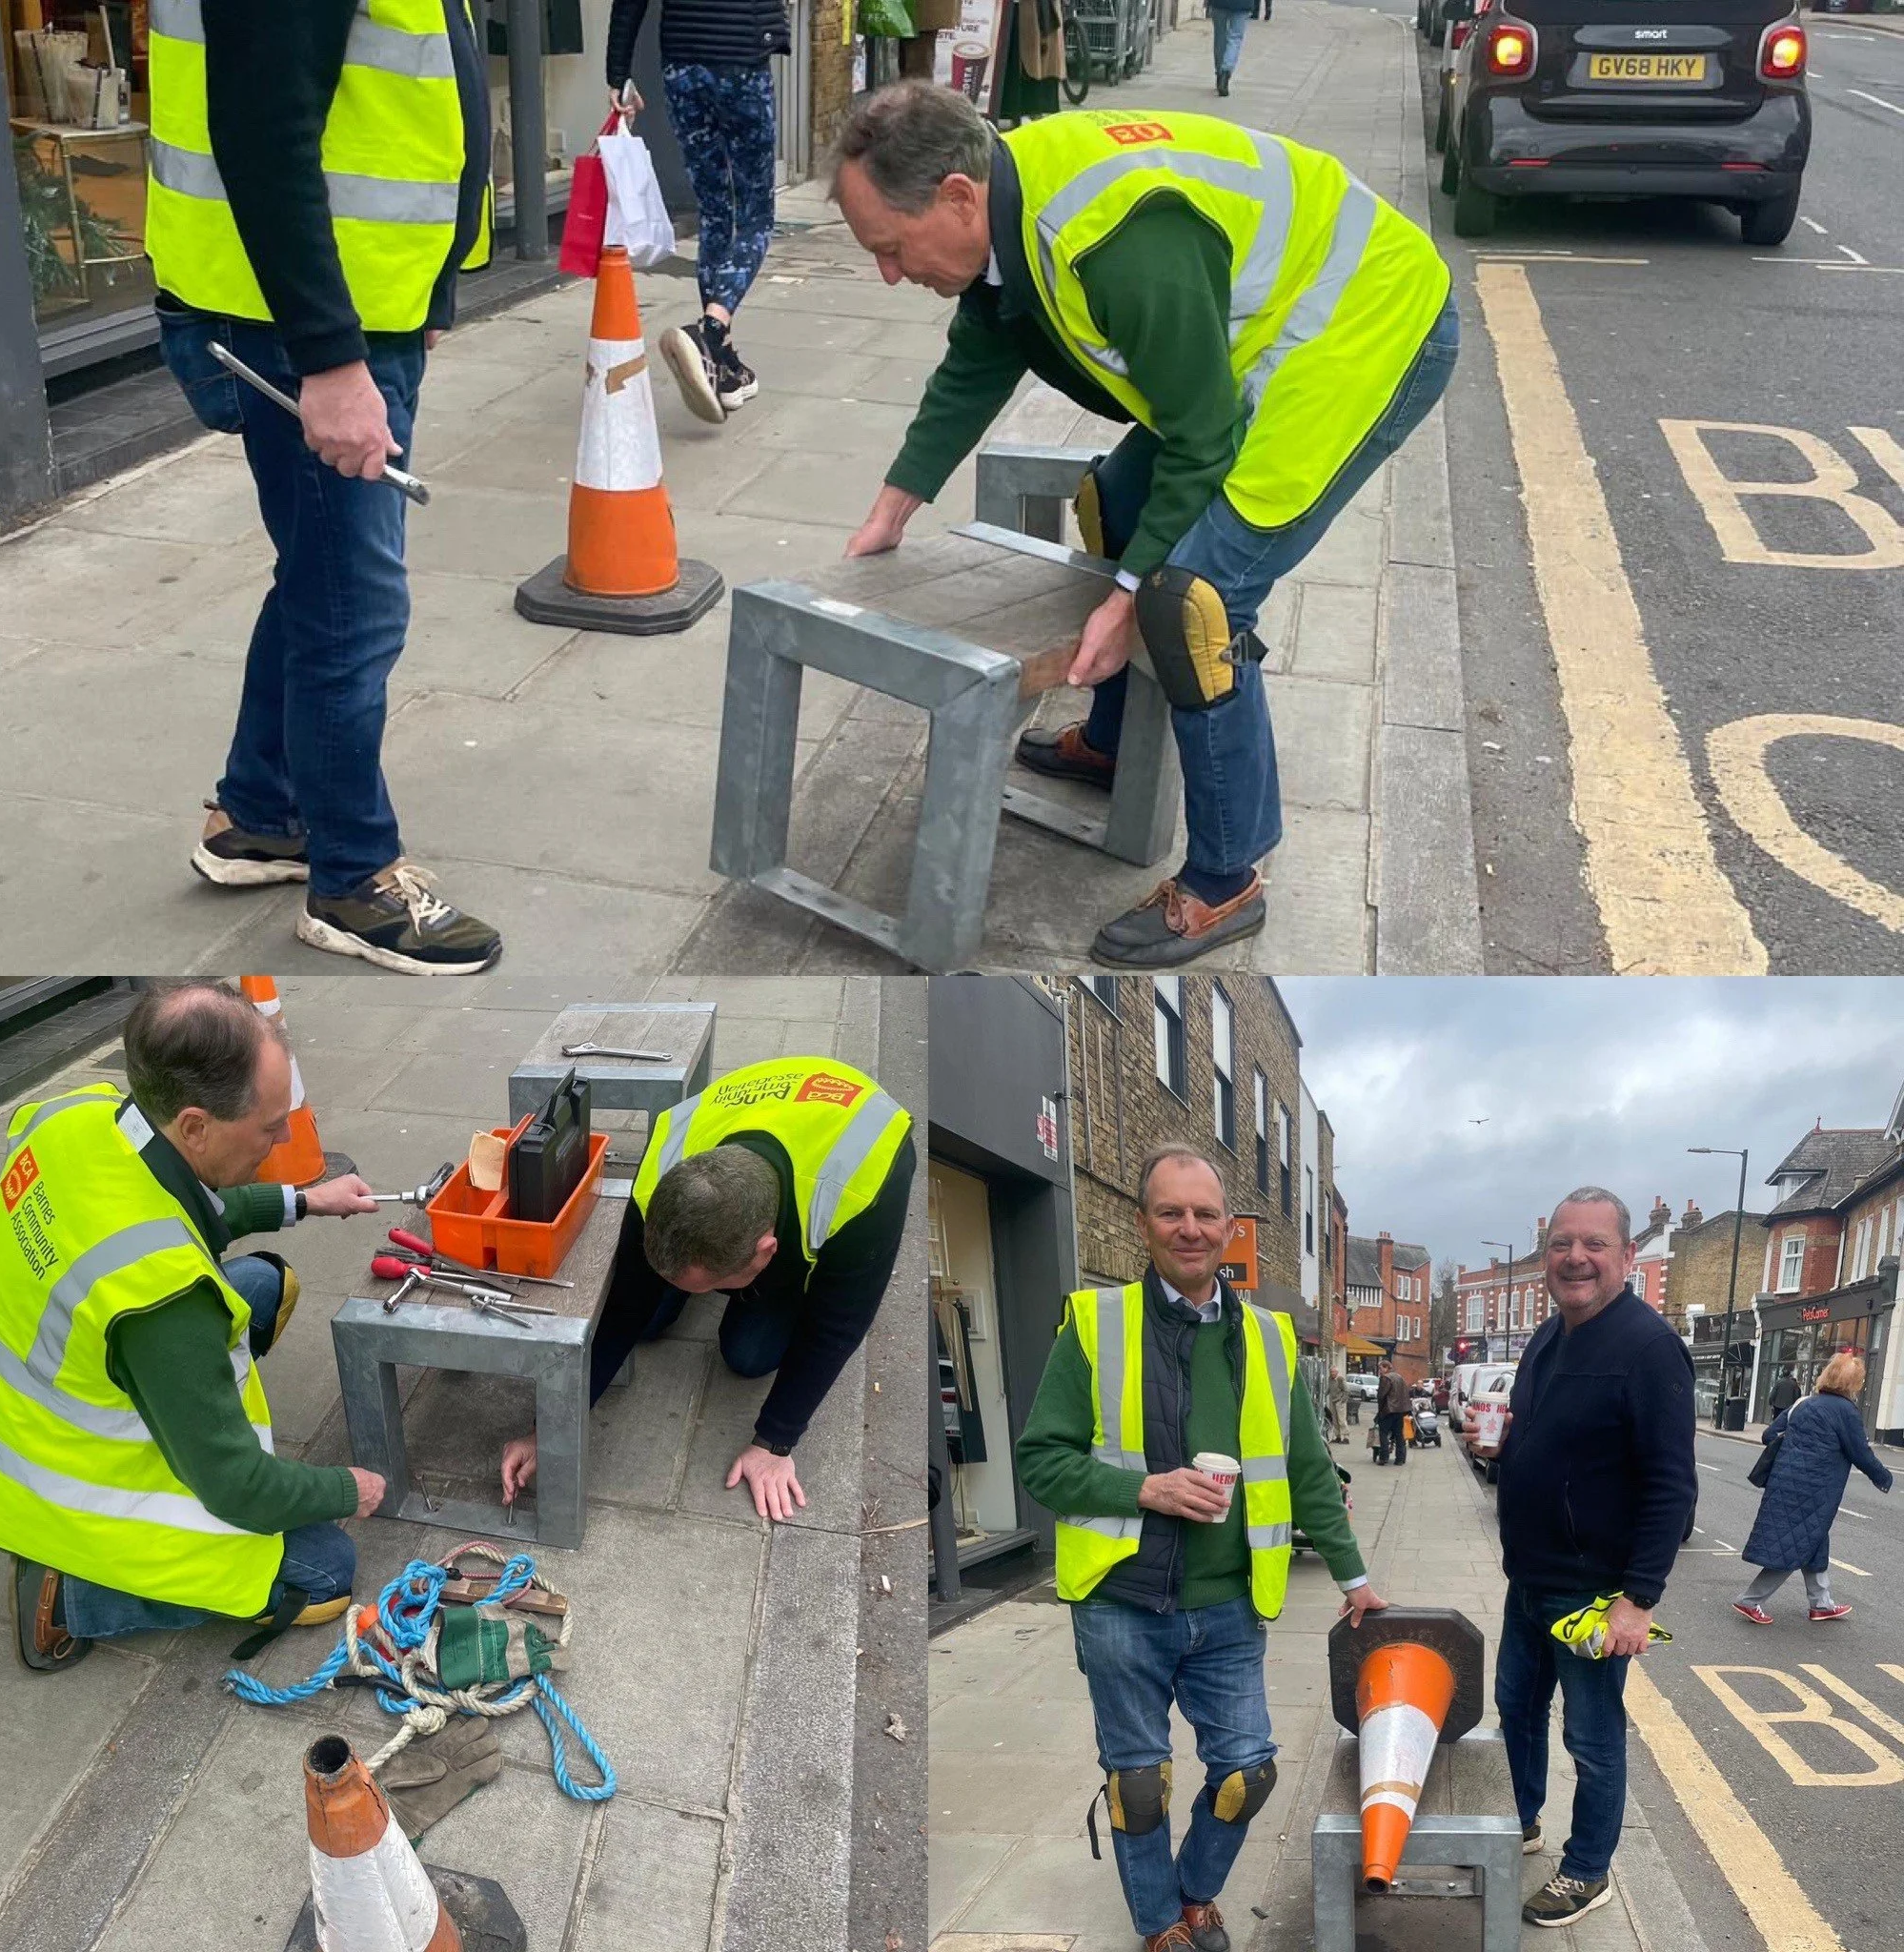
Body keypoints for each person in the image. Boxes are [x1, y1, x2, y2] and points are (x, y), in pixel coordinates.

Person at [828, 84, 1457, 968]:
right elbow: (979, 357)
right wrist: (891, 511)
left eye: (891, 250)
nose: (891, 274)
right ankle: (1114, 746)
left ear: (957, 198)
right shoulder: (1008, 204)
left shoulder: (1110, 241)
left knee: (1191, 600)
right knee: (1114, 505)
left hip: (1363, 331)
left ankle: (1226, 876)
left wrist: (1125, 605)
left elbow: (1200, 443)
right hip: (1262, 341)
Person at [146, 0, 502, 975]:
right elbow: (265, 123)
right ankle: (352, 878)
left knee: (320, 579)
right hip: (304, 325)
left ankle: (256, 816)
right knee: (353, 607)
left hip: (342, 309)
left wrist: (425, 291)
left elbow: (410, 88)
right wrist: (333, 360)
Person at [0, 983, 386, 1674]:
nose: (281, 1141)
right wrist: (348, 1488)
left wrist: (304, 1201)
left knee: (266, 1285)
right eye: (269, 1127)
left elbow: (182, 1202)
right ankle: (71, 1598)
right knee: (324, 1572)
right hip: (51, 1478)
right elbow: (238, 1488)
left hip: (30, 1402)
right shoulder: (161, 1301)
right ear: (194, 1126)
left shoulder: (82, 1114)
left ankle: (177, 1416)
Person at [1016, 1147, 1385, 1952]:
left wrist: (1354, 1577)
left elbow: (1308, 1469)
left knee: (1247, 1772)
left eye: (1205, 1214)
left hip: (1226, 1605)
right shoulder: (1094, 1324)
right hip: (1120, 1604)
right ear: (1142, 1222)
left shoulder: (1269, 1338)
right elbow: (1040, 1460)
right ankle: (1158, 1925)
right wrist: (1143, 1489)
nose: (1190, 1229)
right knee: (1138, 1781)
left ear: (1230, 1228)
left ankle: (1193, 1892)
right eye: (1171, 1212)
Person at [501, 1057, 914, 1521]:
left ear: (766, 1251)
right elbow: (623, 1308)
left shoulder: (865, 1184)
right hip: (757, 1126)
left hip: (834, 1146)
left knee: (748, 1354)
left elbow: (838, 1325)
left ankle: (736, 1286)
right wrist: (549, 1429)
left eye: (712, 1284)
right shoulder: (665, 1161)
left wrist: (775, 1441)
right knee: (648, 1319)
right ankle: (694, 1274)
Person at [1492, 1189, 1696, 1928]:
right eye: (1560, 1243)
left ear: (1626, 1256)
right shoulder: (1552, 1335)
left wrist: (1638, 1599)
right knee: (1515, 1707)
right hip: (1532, 1579)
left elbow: (1673, 1484)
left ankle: (1587, 1870)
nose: (1575, 1257)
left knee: (1592, 1735)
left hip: (1593, 1589)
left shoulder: (1647, 1346)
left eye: (1594, 1244)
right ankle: (1519, 1821)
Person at [607, 0, 790, 422]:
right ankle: (709, 332)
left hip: (683, 66)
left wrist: (618, 73)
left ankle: (723, 368)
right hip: (742, 61)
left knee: (714, 211)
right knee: (755, 214)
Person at [1733, 1352, 1892, 1627]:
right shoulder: (1845, 1411)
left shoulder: (1804, 1404)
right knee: (1793, 1545)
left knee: (1813, 1540)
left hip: (1785, 1482)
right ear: (1852, 1383)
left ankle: (1821, 1604)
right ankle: (1750, 1599)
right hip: (1815, 1490)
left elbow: (1769, 1436)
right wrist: (1884, 1478)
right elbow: (1861, 1453)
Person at [1205, 0, 1259, 95]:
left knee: (1220, 37)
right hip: (1242, 4)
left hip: (1219, 4)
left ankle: (1219, 74)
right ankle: (1225, 72)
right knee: (1235, 37)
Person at [1374, 1361, 1409, 1466]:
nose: (1380, 1371)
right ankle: (1400, 1458)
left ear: (1386, 1368)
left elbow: (1381, 1395)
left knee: (1383, 1433)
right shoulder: (1400, 1377)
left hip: (1388, 1410)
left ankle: (1384, 1457)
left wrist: (1380, 1411)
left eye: (1380, 1369)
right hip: (1400, 1410)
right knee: (1399, 1434)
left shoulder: (1386, 1378)